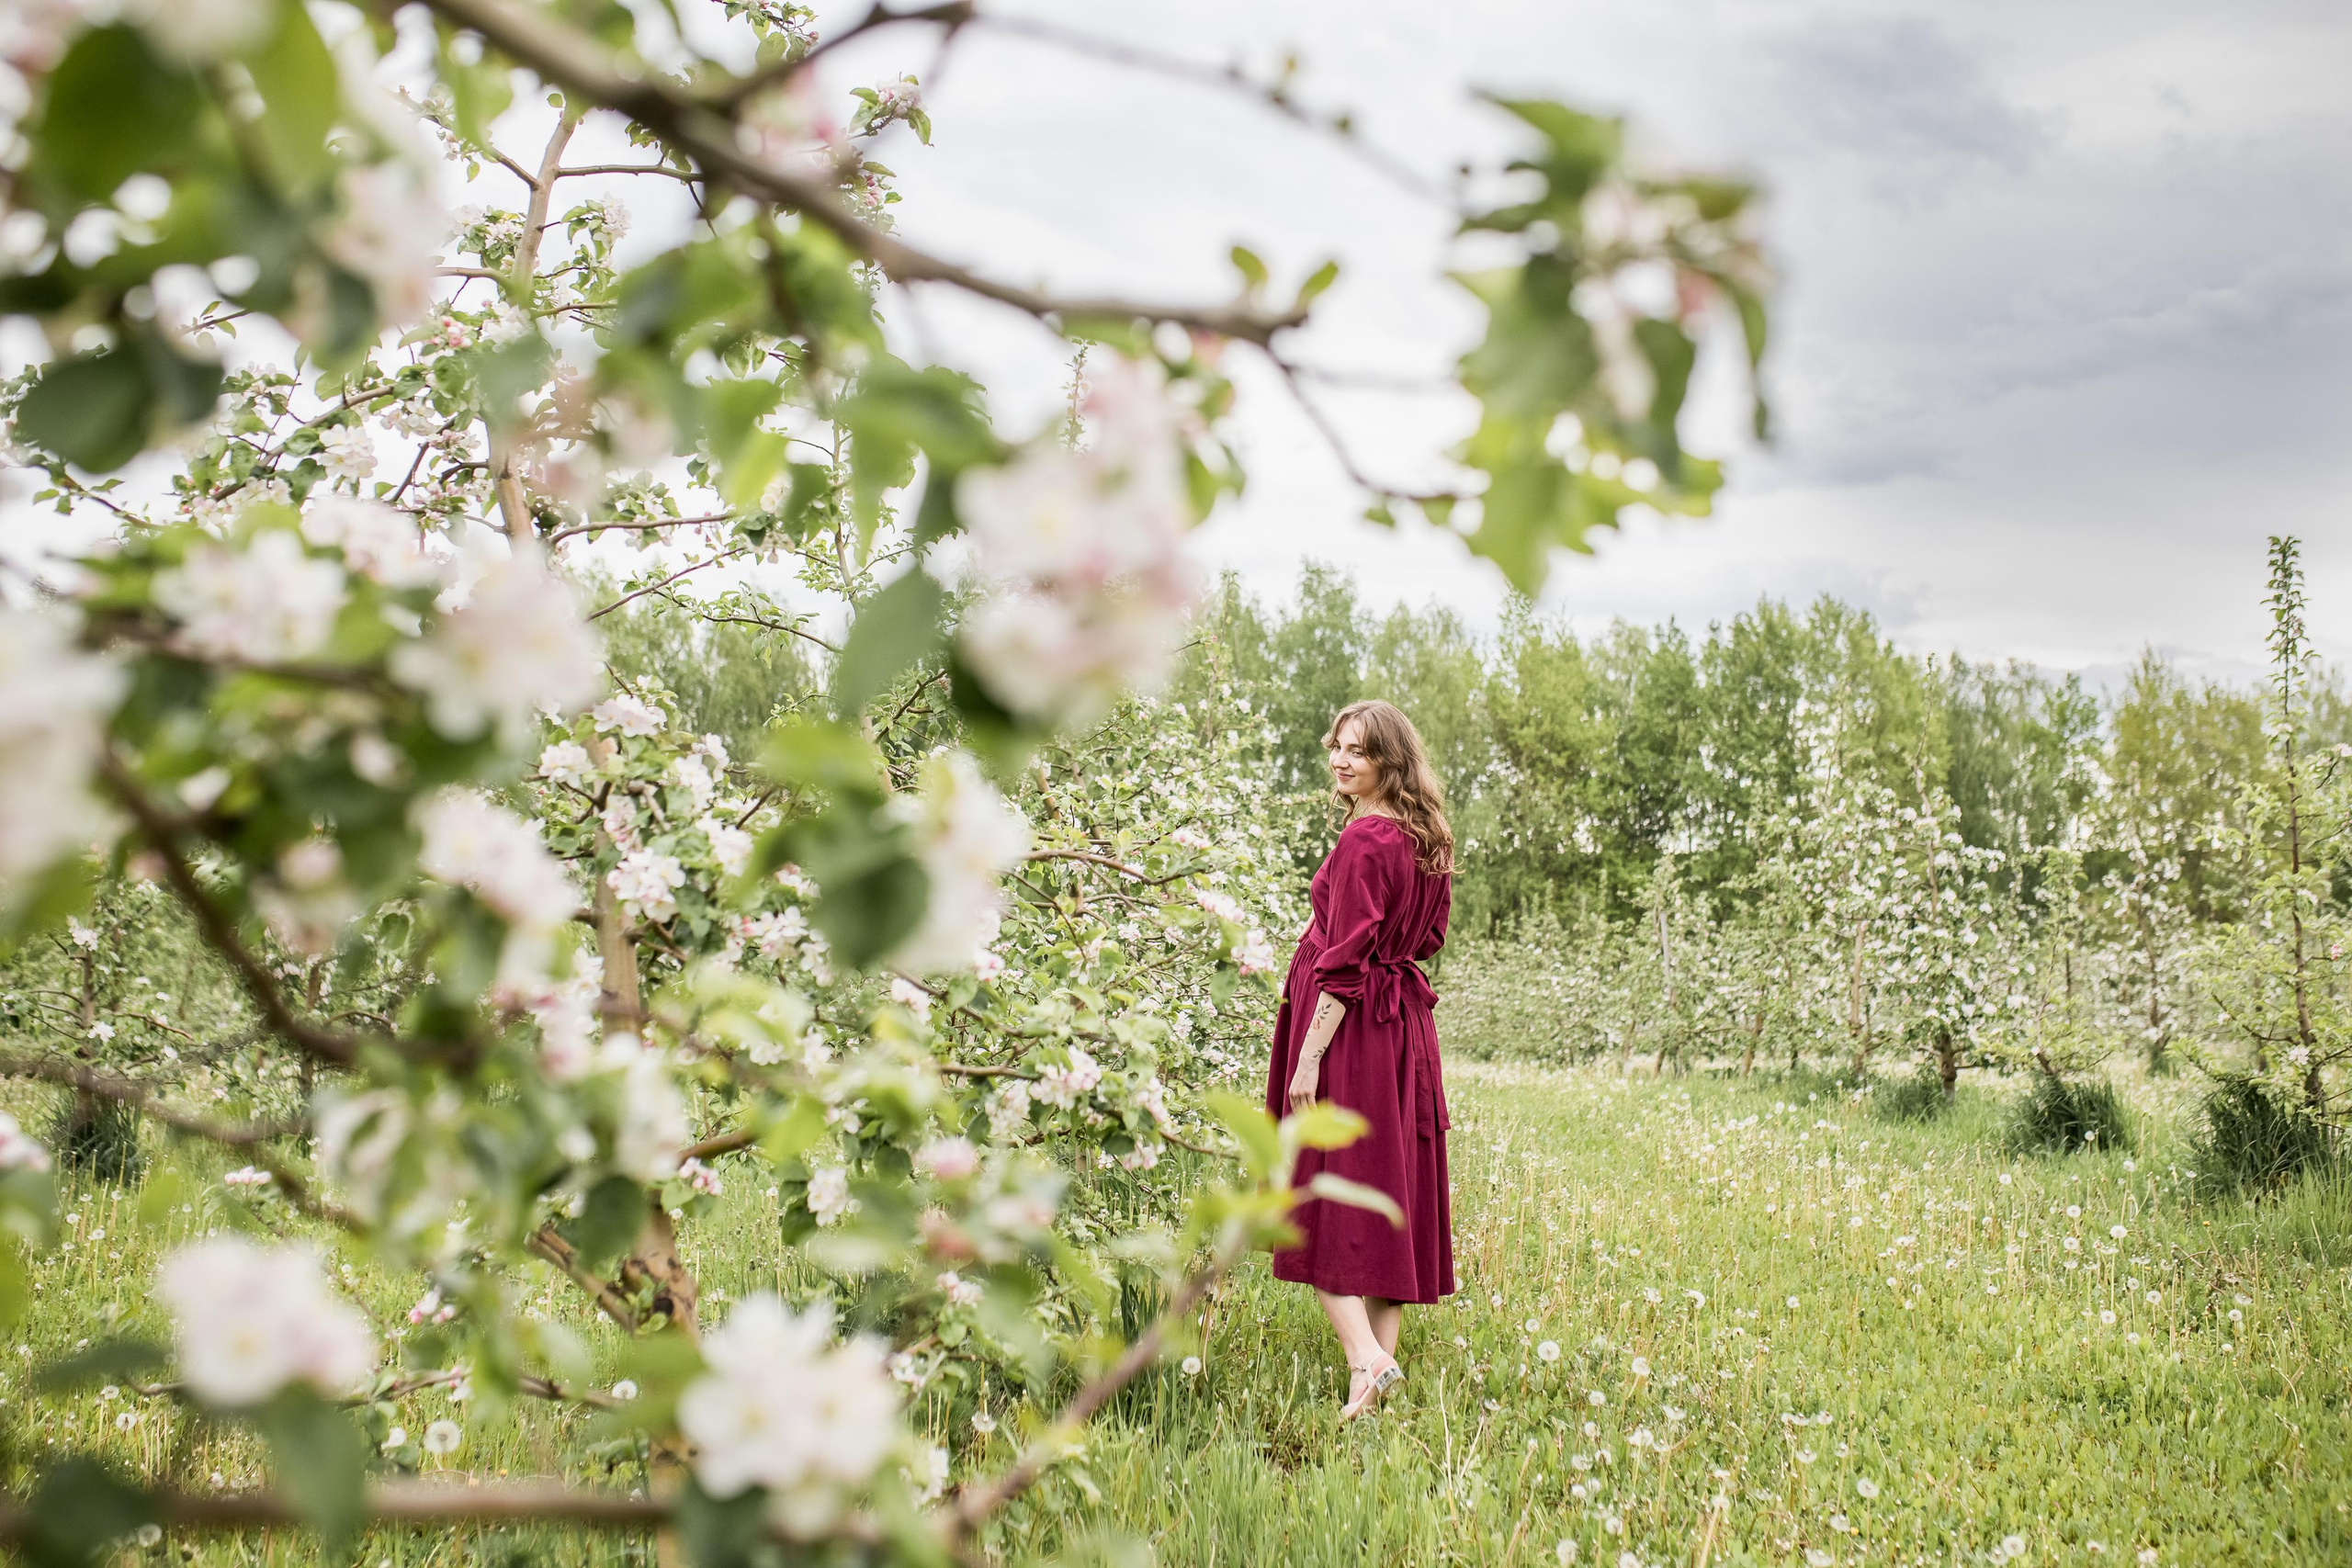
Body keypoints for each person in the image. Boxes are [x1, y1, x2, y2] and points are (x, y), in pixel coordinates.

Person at [1264, 698, 1456, 1422]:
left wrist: (1308, 1059)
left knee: (1322, 1195)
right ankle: (1370, 1384)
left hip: (1350, 1032)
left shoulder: (1366, 840)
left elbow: (1344, 968)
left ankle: (1367, 1358)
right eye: (1337, 746)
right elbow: (1427, 937)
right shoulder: (1426, 837)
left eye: (1359, 751)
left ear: (1389, 761)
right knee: (1386, 1196)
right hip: (1401, 1028)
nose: (1341, 760)